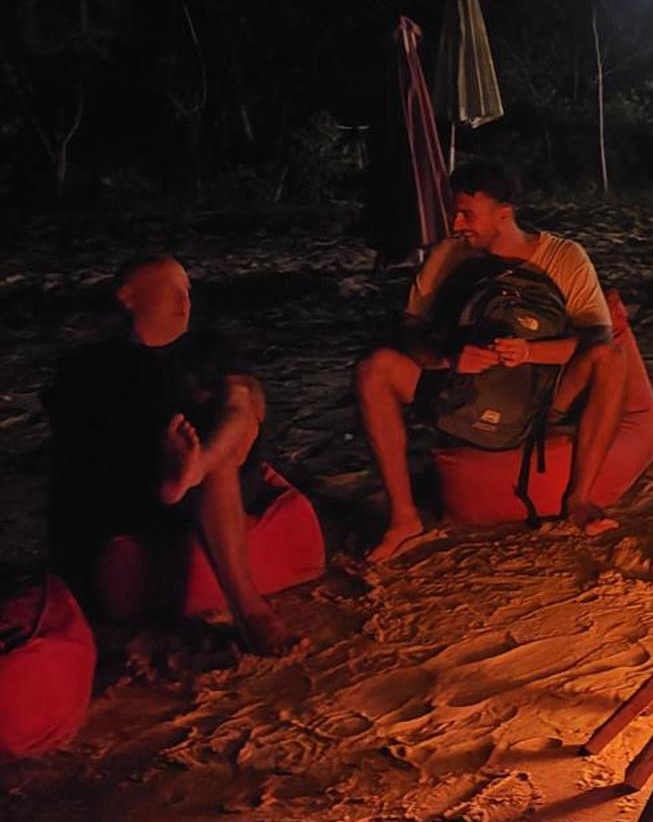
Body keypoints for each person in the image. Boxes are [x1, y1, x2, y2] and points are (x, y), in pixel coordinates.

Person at [355, 159, 623, 560]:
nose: (457, 224)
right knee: (373, 369)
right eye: (454, 212)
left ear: (505, 213)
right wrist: (448, 357)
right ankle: (404, 517)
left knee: (610, 357)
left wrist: (531, 351)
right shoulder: (447, 256)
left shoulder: (564, 258)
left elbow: (595, 339)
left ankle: (579, 500)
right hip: (460, 390)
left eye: (467, 214)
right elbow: (407, 330)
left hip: (539, 399)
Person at [45, 256, 299, 655]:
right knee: (197, 429)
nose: (185, 304)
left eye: (188, 293)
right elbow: (79, 453)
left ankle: (248, 608)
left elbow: (240, 400)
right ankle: (249, 610)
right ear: (128, 298)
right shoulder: (90, 364)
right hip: (140, 484)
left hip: (211, 470)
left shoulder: (207, 345)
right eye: (172, 292)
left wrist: (198, 457)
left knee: (237, 404)